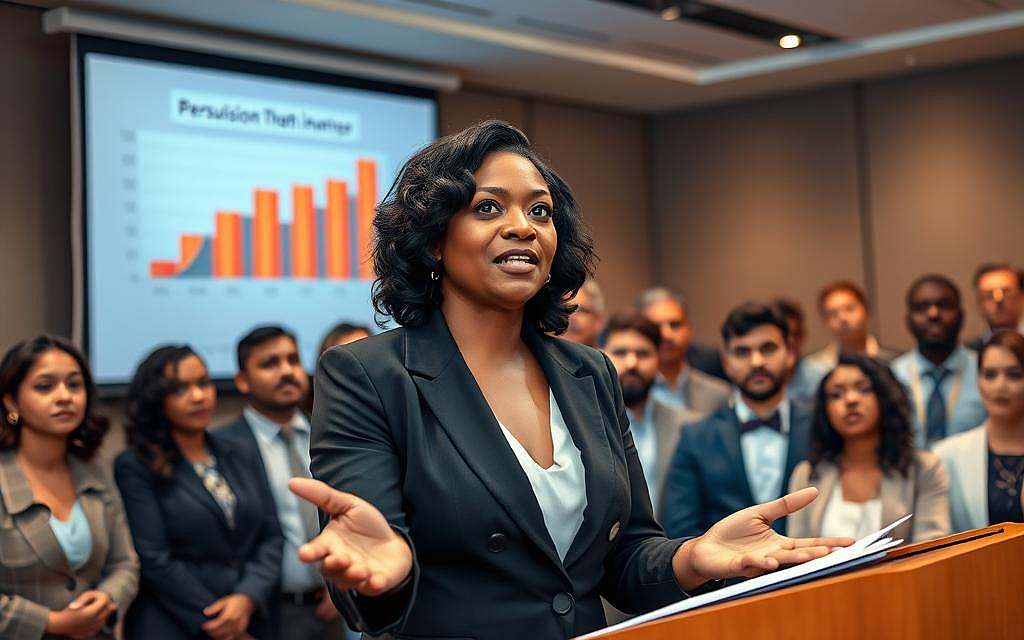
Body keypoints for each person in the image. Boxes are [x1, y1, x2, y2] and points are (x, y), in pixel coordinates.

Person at [286, 121, 851, 639]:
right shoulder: (367, 375)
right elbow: (366, 571)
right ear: (434, 238)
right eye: (488, 209)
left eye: (540, 211)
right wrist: (383, 576)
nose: (522, 228)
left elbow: (626, 557)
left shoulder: (591, 371)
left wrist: (693, 558)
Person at [114, 345, 283, 640]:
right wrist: (219, 619)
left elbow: (271, 535)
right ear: (156, 399)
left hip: (250, 616)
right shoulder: (136, 465)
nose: (198, 396)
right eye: (180, 389)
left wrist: (246, 598)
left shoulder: (239, 452)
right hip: (177, 623)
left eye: (203, 383)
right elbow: (154, 558)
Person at [0, 335, 139, 640]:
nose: (65, 396)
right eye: (45, 386)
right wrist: (50, 622)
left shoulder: (94, 469)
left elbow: (125, 563)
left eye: (74, 385)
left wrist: (107, 599)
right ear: (11, 401)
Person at [218, 326, 344, 640]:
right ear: (242, 380)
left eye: (293, 359)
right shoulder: (223, 447)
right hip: (266, 613)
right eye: (270, 363)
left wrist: (341, 586)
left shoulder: (331, 433)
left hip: (337, 603)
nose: (287, 371)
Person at [663, 301, 813, 539]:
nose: (756, 362)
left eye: (768, 348)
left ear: (790, 353)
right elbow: (681, 532)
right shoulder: (696, 437)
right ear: (726, 361)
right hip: (731, 574)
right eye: (742, 352)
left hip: (819, 569)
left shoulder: (820, 426)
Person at [787, 355, 951, 543]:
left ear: (886, 397)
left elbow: (931, 549)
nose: (850, 400)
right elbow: (796, 554)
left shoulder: (924, 469)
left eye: (864, 389)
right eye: (836, 394)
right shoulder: (806, 475)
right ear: (824, 411)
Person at [598, 312, 699, 519]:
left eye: (643, 354)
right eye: (620, 352)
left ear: (659, 358)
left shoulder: (688, 426)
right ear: (599, 355)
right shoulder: (581, 422)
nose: (632, 363)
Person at [935, 330, 1024, 532]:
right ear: (977, 381)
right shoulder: (947, 455)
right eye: (990, 375)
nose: (1000, 386)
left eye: (1014, 374)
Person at [890, 274, 987, 447]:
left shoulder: (986, 371)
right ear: (907, 320)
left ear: (961, 316)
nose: (933, 314)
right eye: (921, 307)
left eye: (944, 306)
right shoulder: (892, 376)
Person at [636, 287, 730, 414]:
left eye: (675, 325)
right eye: (656, 326)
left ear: (689, 329)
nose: (666, 335)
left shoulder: (719, 395)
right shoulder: (627, 393)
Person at [805, 281, 900, 371]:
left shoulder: (895, 362)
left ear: (866, 310)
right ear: (825, 321)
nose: (842, 318)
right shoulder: (815, 367)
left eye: (849, 309)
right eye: (833, 313)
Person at [774, 296, 828, 404]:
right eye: (784, 335)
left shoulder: (820, 377)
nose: (790, 341)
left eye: (795, 334)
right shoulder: (757, 378)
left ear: (803, 335)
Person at [966, 263, 1024, 352]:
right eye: (989, 294)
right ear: (979, 303)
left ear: (1021, 297)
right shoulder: (970, 353)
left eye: (1006, 291)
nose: (998, 299)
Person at [562, 278, 606, 348]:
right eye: (565, 309)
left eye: (580, 310)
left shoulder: (608, 358)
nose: (571, 317)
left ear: (598, 321)